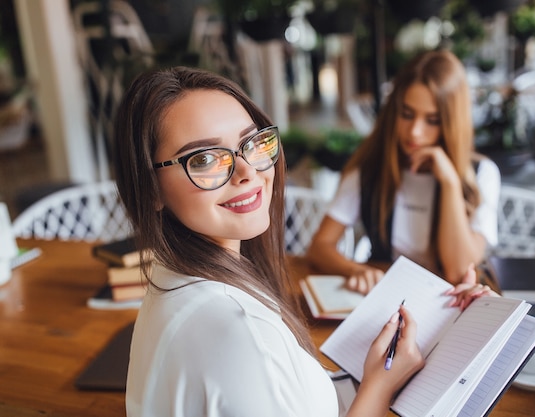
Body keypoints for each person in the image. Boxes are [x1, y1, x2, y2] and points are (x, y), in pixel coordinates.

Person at [113, 66, 491, 417]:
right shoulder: (241, 333)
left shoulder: (171, 278)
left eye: (251, 144)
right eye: (204, 159)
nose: (248, 172)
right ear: (151, 190)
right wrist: (381, 386)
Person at [307, 49, 501, 294]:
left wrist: (450, 182)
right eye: (407, 114)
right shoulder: (369, 170)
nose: (415, 132)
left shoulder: (482, 173)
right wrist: (355, 270)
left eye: (432, 120)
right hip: (388, 299)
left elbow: (458, 271)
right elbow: (319, 247)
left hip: (450, 306)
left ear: (452, 123)